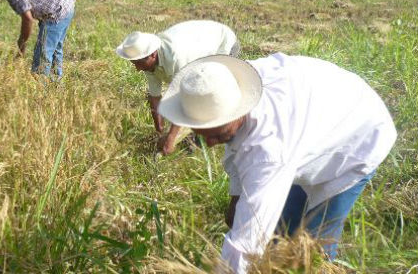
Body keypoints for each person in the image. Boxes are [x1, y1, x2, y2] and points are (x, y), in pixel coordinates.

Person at [157, 53, 397, 274]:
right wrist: (236, 198)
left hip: (357, 137)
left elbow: (243, 248)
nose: (209, 144)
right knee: (278, 237)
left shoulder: (268, 150)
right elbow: (239, 146)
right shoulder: (229, 87)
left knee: (309, 254)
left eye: (218, 135)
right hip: (315, 116)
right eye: (201, 134)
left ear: (238, 112)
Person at [116, 20, 239, 155]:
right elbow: (155, 98)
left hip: (222, 43)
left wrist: (171, 138)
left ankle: (205, 137)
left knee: (210, 91)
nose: (138, 69)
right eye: (134, 63)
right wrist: (159, 131)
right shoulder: (147, 61)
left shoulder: (177, 58)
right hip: (199, 42)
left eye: (139, 63)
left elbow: (185, 100)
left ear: (152, 54)